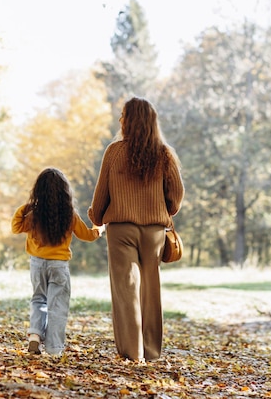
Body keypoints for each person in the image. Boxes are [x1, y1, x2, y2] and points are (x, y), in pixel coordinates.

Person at [88, 96, 184, 362]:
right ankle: (152, 352)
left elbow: (100, 198)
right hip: (154, 232)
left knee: (126, 289)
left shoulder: (114, 152)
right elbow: (176, 194)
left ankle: (133, 353)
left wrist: (96, 217)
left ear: (129, 121)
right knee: (150, 290)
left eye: (122, 115)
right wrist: (165, 210)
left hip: (121, 231)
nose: (120, 119)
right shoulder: (164, 154)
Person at [12, 167, 104, 356]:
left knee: (38, 299)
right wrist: (98, 229)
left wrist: (26, 206)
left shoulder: (33, 214)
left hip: (37, 264)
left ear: (38, 191)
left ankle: (35, 336)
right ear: (65, 192)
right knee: (57, 306)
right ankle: (54, 349)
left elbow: (15, 227)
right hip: (59, 266)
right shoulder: (69, 214)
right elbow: (87, 236)